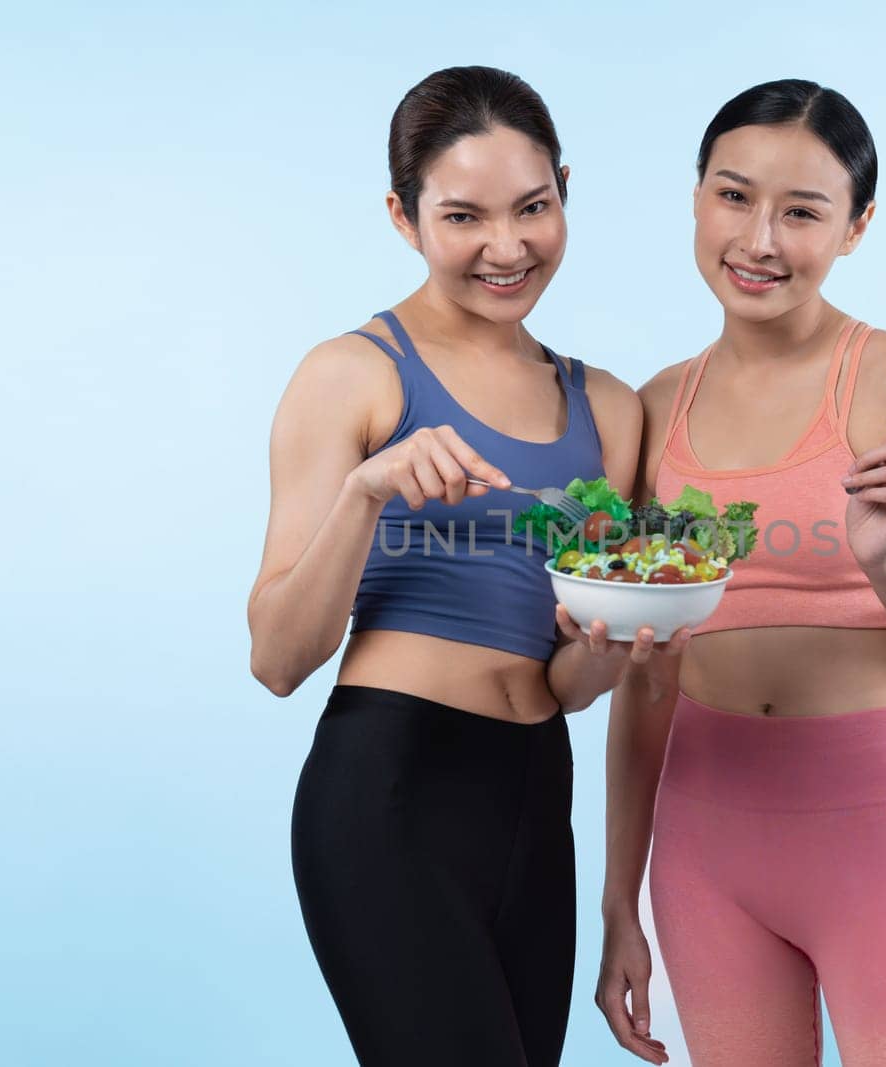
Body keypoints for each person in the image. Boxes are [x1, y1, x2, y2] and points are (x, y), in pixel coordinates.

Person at [247, 65, 666, 1067]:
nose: (506, 246)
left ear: (566, 188)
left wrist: (601, 658)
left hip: (534, 793)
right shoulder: (352, 374)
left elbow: (565, 684)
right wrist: (366, 492)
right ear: (403, 216)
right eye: (463, 216)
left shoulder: (608, 407)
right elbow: (277, 655)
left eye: (533, 207)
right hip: (392, 787)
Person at [596, 79, 886, 1067]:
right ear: (696, 199)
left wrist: (885, 570)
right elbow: (647, 677)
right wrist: (619, 898)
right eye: (733, 196)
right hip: (704, 842)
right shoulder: (653, 411)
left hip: (876, 828)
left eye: (803, 211)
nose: (759, 239)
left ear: (856, 227)